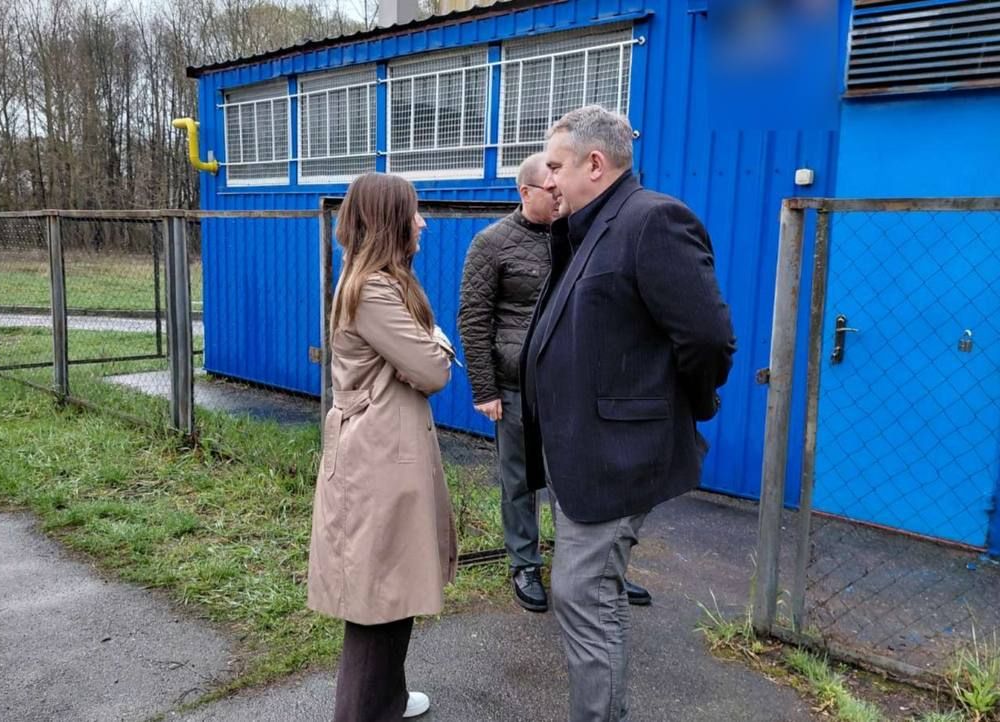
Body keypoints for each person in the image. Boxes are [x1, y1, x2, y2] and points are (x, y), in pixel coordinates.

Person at [522, 105, 736, 721]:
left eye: (556, 166)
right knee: (589, 593)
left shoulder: (651, 220)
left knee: (582, 594)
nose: (548, 179)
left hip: (616, 456)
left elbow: (708, 340)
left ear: (595, 163)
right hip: (579, 454)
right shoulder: (585, 227)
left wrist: (680, 406)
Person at [457, 153, 651, 613]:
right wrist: (485, 389)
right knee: (519, 480)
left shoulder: (580, 236)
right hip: (516, 388)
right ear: (526, 192)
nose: (559, 192)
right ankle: (524, 563)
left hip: (574, 387)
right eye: (551, 188)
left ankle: (593, 569)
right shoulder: (492, 243)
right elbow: (474, 318)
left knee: (582, 479)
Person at [307, 172, 458, 722]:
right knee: (376, 602)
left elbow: (417, 362)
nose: (423, 222)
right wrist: (435, 340)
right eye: (413, 212)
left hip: (385, 455)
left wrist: (422, 346)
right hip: (376, 464)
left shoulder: (381, 282)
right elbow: (432, 369)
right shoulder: (372, 289)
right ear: (390, 221)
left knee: (392, 589)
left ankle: (388, 700)